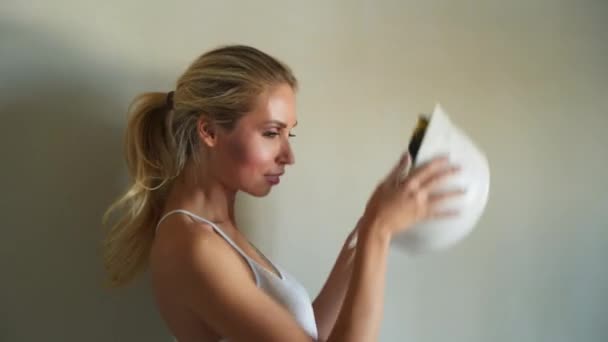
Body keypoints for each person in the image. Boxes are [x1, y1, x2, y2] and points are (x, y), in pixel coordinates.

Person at [102, 45, 462, 342]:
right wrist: (377, 234)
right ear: (209, 131)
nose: (288, 156)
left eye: (290, 134)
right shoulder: (194, 245)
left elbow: (307, 334)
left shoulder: (217, 230)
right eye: (271, 133)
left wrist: (365, 233)